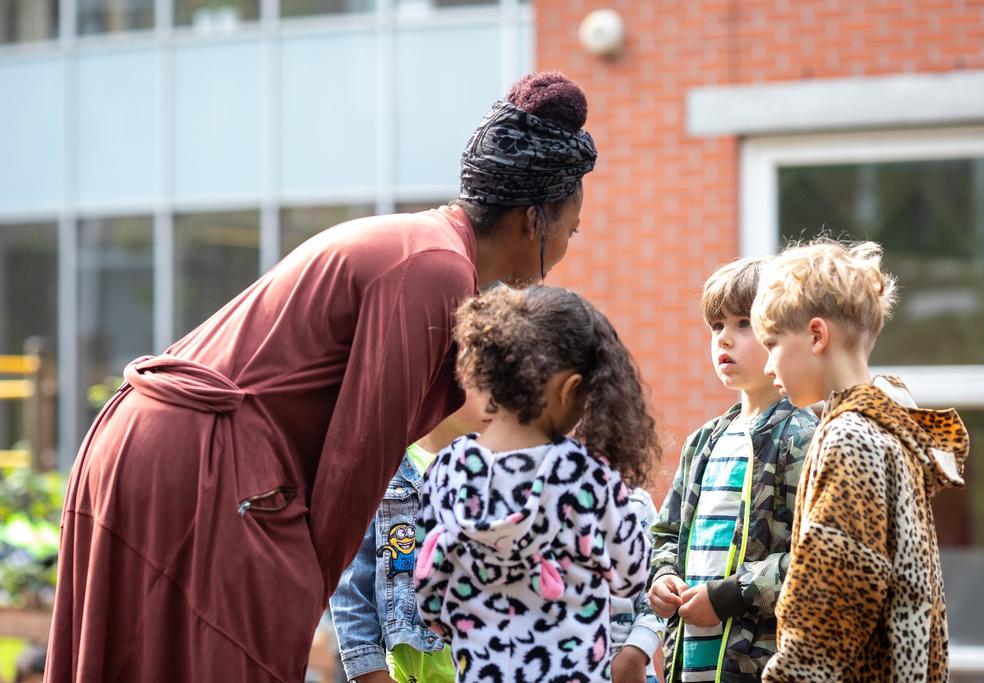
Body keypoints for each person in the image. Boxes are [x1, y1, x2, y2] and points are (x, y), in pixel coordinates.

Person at [45, 71, 597, 682]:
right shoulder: (436, 267)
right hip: (201, 458)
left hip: (150, 440)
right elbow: (362, 456)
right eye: (570, 230)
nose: (566, 248)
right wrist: (302, 595)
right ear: (533, 219)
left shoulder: (417, 242)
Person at [414, 285, 661, 683]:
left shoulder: (445, 469)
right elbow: (633, 573)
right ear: (568, 389)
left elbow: (429, 596)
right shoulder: (587, 474)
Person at [752, 240, 969, 681]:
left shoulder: (849, 439)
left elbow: (831, 602)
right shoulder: (890, 431)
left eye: (772, 343)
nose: (768, 366)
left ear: (816, 335)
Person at [647, 258, 817, 682]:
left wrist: (728, 596)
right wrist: (664, 576)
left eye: (744, 324)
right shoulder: (702, 442)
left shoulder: (802, 438)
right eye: (716, 326)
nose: (724, 338)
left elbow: (814, 559)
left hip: (761, 668)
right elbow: (666, 534)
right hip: (690, 664)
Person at [329, 391, 490, 683]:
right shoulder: (386, 468)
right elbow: (352, 579)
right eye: (485, 383)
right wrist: (369, 671)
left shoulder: (510, 469)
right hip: (410, 672)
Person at [609, 488, 666, 683]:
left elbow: (656, 587)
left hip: (633, 670)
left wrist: (636, 650)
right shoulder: (535, 502)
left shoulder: (637, 504)